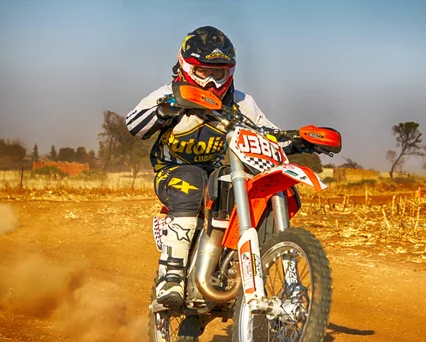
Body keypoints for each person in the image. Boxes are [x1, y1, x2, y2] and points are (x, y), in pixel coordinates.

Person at [126, 26, 305, 308]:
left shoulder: (241, 102)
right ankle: (170, 275)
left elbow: (267, 133)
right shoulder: (169, 92)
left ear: (229, 72)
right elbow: (134, 124)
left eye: (218, 73)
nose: (210, 81)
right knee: (193, 178)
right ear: (186, 66)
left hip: (218, 176)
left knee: (255, 189)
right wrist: (167, 108)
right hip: (172, 174)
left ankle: (238, 268)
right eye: (203, 72)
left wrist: (297, 140)